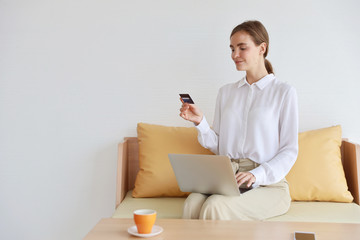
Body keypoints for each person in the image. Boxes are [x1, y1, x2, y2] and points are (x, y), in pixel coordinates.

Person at [179, 20, 299, 220]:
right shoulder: (226, 92)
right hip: (228, 177)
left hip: (268, 184)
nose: (235, 55)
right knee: (192, 203)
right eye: (232, 49)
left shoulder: (284, 92)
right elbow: (219, 146)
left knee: (215, 207)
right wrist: (200, 123)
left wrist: (256, 175)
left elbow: (289, 151)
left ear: (262, 48)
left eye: (242, 48)